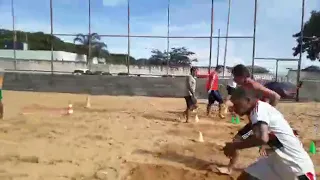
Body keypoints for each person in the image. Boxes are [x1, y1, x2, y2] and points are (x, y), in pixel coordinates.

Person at [220, 87, 315, 180]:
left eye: (236, 104)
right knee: (247, 177)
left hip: (295, 165)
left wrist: (235, 146)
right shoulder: (257, 111)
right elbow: (251, 128)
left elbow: (262, 138)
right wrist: (240, 137)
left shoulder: (258, 110)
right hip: (275, 161)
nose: (233, 108)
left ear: (247, 100)